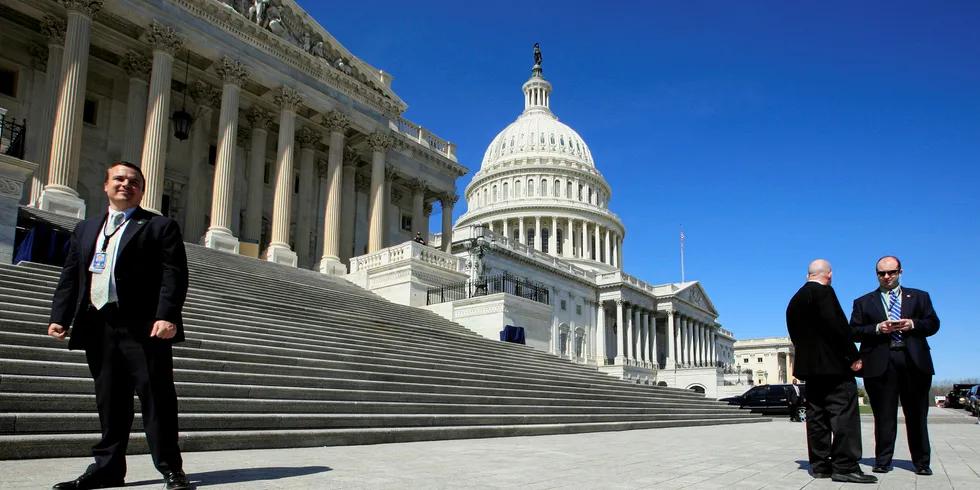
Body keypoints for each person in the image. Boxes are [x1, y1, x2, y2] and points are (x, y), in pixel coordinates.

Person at [47, 161, 191, 490]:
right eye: (119, 179)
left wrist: (167, 315)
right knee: (110, 399)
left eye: (134, 181)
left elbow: (174, 275)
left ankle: (170, 467)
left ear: (142, 189)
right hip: (99, 324)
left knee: (157, 399)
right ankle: (108, 467)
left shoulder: (159, 226)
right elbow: (71, 275)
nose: (126, 184)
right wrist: (60, 316)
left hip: (143, 327)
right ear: (106, 185)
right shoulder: (86, 229)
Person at [786, 259, 876, 484]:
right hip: (834, 368)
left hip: (810, 370)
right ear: (830, 275)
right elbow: (837, 327)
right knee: (843, 416)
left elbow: (797, 336)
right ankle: (845, 466)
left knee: (817, 417)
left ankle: (820, 465)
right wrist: (852, 357)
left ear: (808, 275)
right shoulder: (824, 293)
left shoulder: (794, 301)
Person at [850, 256, 939, 476]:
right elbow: (853, 331)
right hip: (880, 362)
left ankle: (921, 462)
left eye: (891, 272)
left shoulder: (919, 297)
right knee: (884, 415)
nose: (887, 277)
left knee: (917, 415)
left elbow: (933, 323)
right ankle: (882, 461)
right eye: (882, 273)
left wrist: (912, 324)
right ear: (876, 275)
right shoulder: (863, 302)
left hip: (914, 361)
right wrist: (878, 328)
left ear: (900, 272)